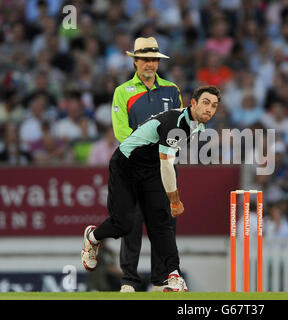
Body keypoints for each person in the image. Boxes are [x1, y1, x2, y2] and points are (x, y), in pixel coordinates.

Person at [81, 85, 220, 292]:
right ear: (193, 103)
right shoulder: (178, 123)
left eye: (214, 106)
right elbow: (167, 163)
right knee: (124, 225)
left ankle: (174, 275)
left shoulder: (197, 125)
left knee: (162, 222)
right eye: (206, 103)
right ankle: (92, 237)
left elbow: (165, 159)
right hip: (126, 164)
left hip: (151, 169)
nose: (210, 109)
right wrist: (174, 199)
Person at [111, 36, 183, 292]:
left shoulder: (172, 90)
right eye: (144, 59)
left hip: (164, 166)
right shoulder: (123, 92)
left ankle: (161, 279)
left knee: (162, 222)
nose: (149, 64)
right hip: (134, 167)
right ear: (135, 62)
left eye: (153, 59)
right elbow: (122, 133)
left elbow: (179, 128)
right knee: (131, 222)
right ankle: (129, 280)